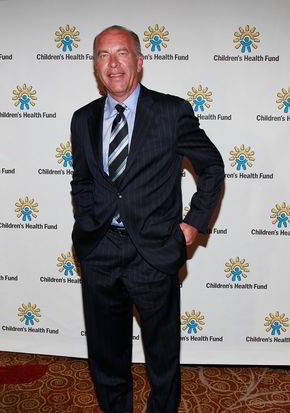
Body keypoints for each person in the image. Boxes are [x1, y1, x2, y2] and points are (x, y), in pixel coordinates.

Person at [70, 25, 224, 413]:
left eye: (121, 53)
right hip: (99, 250)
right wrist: (88, 221)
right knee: (106, 358)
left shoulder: (171, 112)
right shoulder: (82, 119)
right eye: (103, 55)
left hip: (153, 252)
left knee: (162, 359)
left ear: (139, 61)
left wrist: (194, 222)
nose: (113, 63)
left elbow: (212, 167)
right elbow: (82, 181)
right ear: (95, 67)